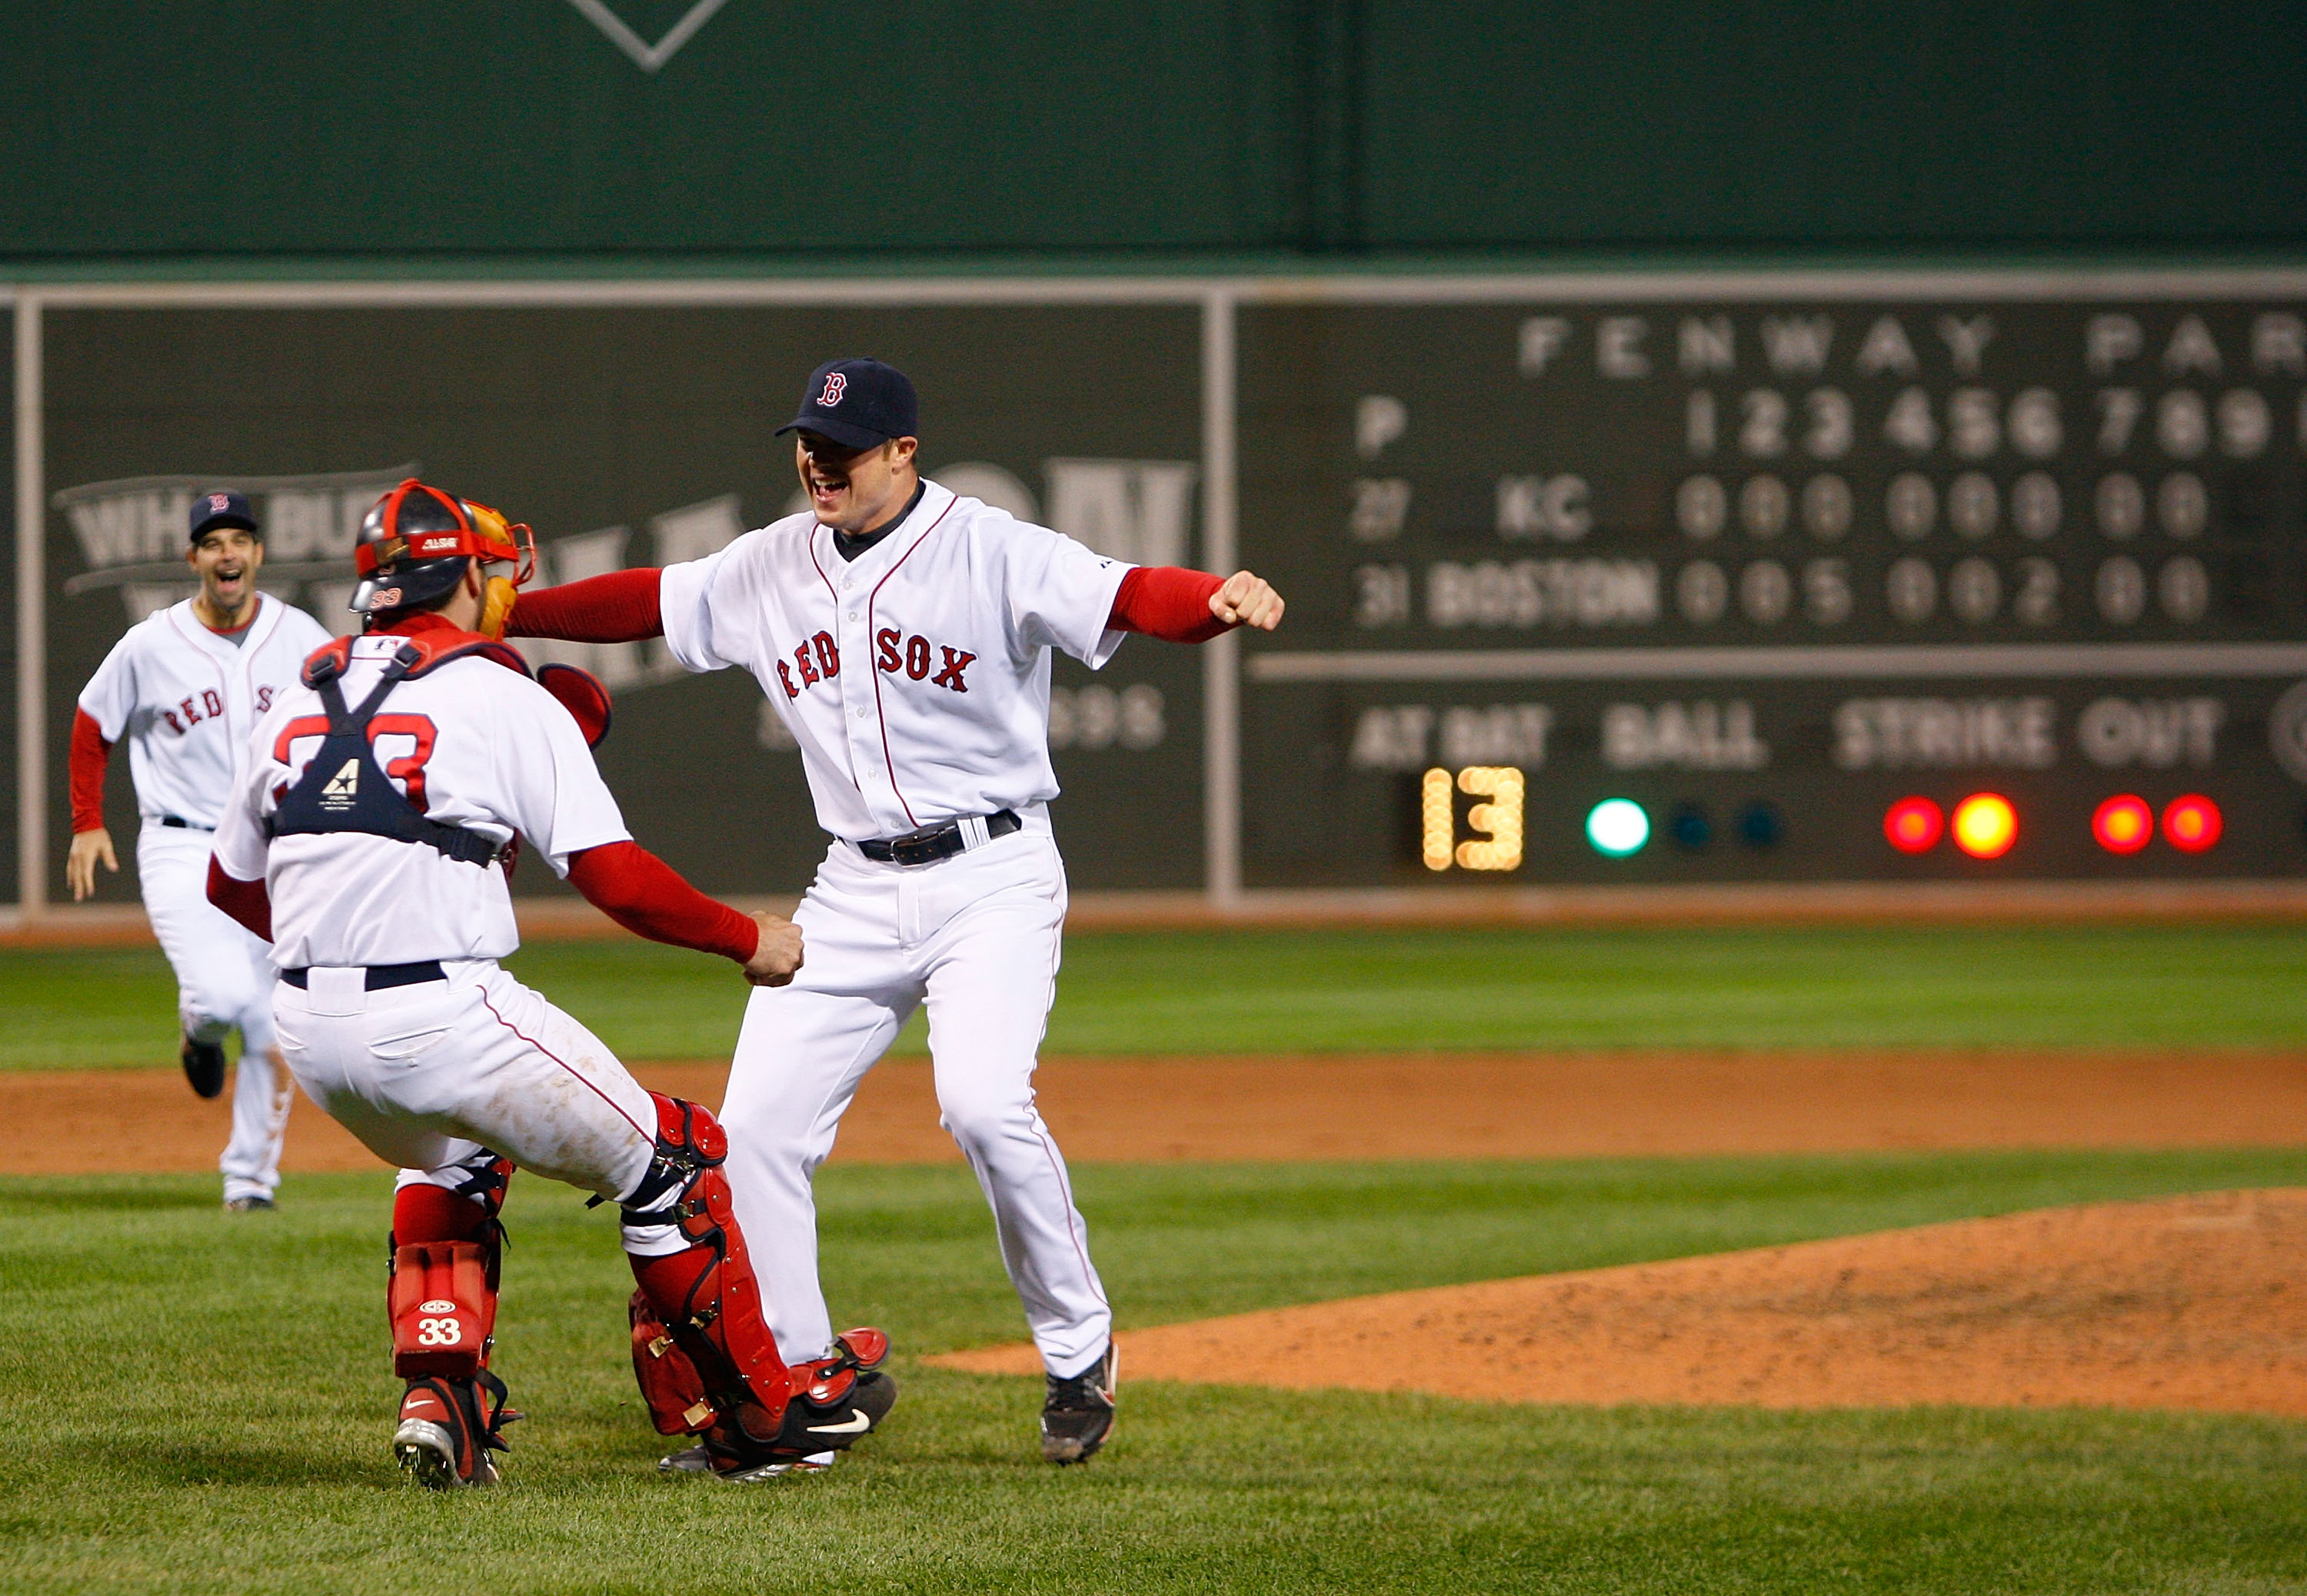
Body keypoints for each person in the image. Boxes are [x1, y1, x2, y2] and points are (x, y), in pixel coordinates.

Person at [508, 357, 1284, 1465]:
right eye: (808, 442)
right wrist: (504, 611)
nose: (819, 461)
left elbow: (1129, 595)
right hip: (856, 887)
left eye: (846, 446)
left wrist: (1214, 600)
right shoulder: (772, 560)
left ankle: (1077, 1350)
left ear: (905, 452)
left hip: (995, 876)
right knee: (759, 1133)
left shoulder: (992, 546)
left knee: (978, 1102)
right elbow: (650, 600)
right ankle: (801, 1388)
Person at [205, 478, 894, 1486]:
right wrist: (747, 937)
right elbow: (614, 878)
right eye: (490, 567)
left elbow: (231, 884)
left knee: (452, 1160)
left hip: (312, 1030)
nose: (500, 584)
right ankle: (757, 1426)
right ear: (458, 574)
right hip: (440, 1011)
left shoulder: (299, 688)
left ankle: (438, 1398)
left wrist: (339, 939)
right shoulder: (499, 692)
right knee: (677, 1164)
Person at [68, 490, 332, 1211]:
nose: (228, 554)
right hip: (181, 845)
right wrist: (88, 821)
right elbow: (93, 722)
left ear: (257, 555)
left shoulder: (301, 635)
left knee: (270, 1018)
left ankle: (250, 1181)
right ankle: (197, 1030)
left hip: (274, 850)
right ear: (193, 559)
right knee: (223, 1001)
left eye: (239, 539)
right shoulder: (152, 643)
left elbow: (342, 725)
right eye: (213, 542)